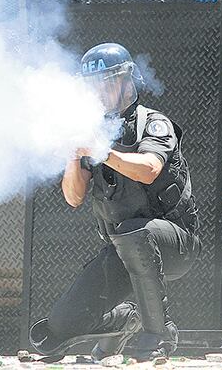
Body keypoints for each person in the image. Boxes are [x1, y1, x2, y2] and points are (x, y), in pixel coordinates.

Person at [29, 43, 200, 361]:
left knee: (136, 231)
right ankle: (127, 320)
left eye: (106, 82)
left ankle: (159, 333)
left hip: (175, 243)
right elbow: (73, 197)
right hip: (124, 249)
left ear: (127, 81)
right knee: (57, 329)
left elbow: (149, 169)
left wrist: (101, 150)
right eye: (92, 84)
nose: (98, 91)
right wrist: (74, 153)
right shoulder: (93, 130)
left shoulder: (153, 124)